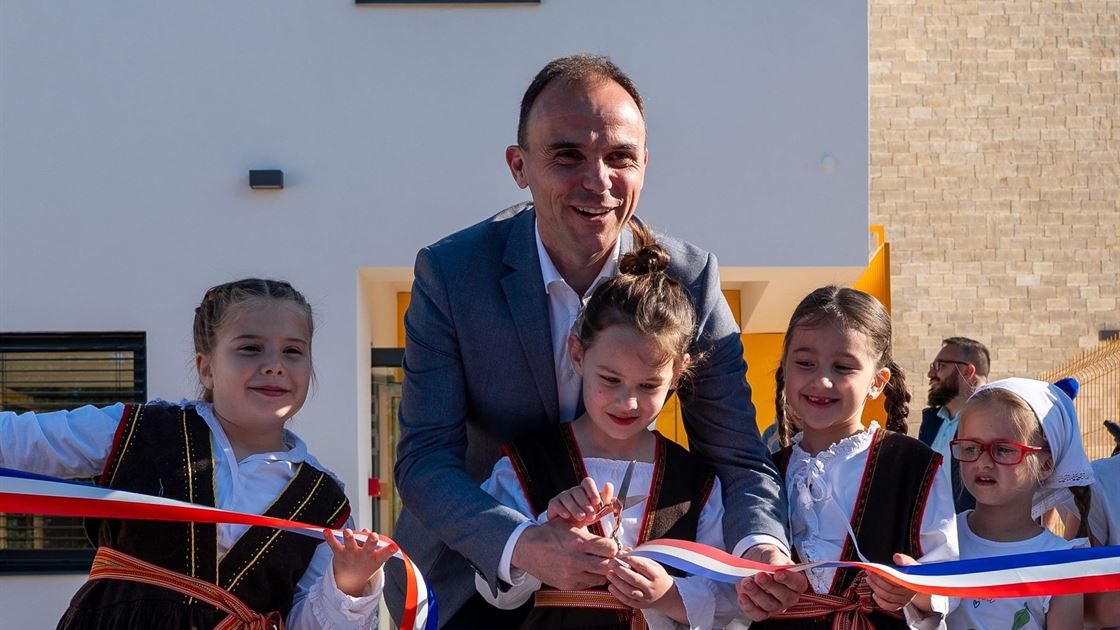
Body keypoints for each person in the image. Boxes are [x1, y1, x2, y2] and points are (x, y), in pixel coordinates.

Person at [390, 53, 792, 627]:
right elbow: (426, 458)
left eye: (620, 157)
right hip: (477, 580)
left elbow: (738, 457)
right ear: (519, 166)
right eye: (567, 155)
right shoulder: (453, 274)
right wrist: (523, 543)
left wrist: (760, 550)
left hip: (642, 599)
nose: (598, 180)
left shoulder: (691, 279)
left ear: (645, 164)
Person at [0, 278, 392, 629]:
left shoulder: (325, 501)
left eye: (293, 350)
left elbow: (306, 622)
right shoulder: (140, 429)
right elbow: (21, 441)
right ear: (206, 369)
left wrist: (347, 583)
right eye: (250, 348)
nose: (274, 365)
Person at [475, 230, 741, 629]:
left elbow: (728, 599)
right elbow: (493, 590)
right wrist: (542, 538)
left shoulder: (696, 482)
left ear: (676, 375)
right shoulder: (525, 465)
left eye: (648, 385)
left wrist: (669, 595)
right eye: (610, 380)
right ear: (578, 354)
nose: (627, 402)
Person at [742, 286, 958, 629]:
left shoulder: (913, 465)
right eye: (805, 363)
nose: (821, 380)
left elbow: (948, 579)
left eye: (843, 367)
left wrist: (914, 588)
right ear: (785, 368)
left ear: (877, 382)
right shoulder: (765, 473)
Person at [946, 377, 1095, 630]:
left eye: (1003, 449)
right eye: (970, 448)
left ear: (1046, 465)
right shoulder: (941, 539)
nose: (983, 462)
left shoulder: (1059, 562)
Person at [918, 336, 991, 512]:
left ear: (967, 371)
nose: (931, 374)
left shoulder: (995, 418)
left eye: (940, 366)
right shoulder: (932, 421)